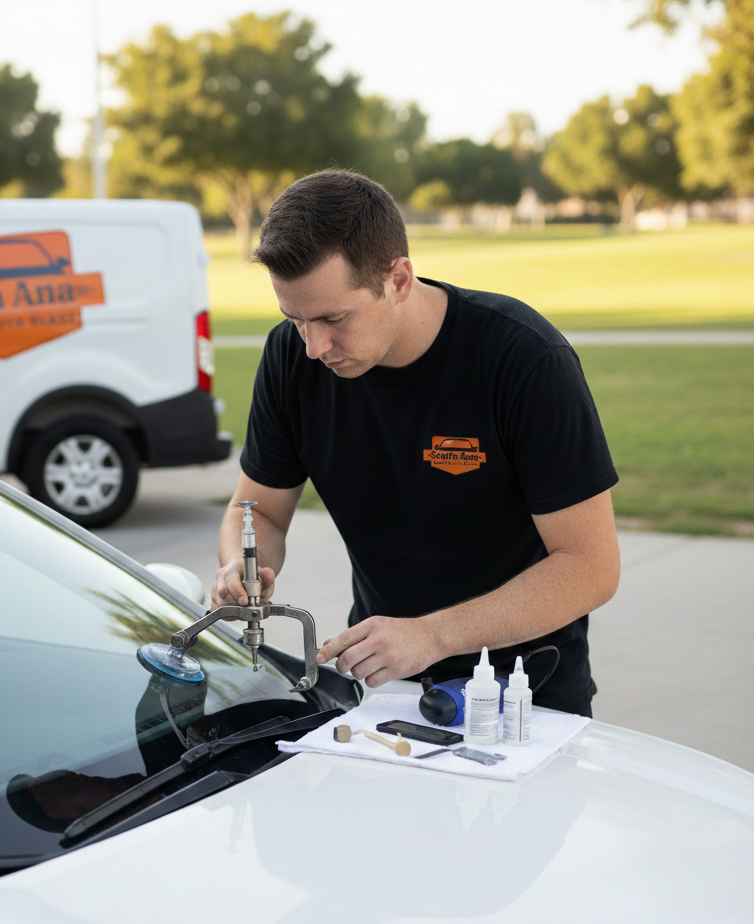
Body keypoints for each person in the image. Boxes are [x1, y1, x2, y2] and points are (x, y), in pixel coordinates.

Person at [211, 170, 620, 716]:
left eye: (333, 318)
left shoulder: (522, 358)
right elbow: (257, 509)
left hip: (525, 695)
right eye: (296, 319)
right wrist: (242, 567)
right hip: (383, 687)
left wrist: (433, 635)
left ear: (399, 279)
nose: (313, 346)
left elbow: (590, 566)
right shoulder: (291, 358)